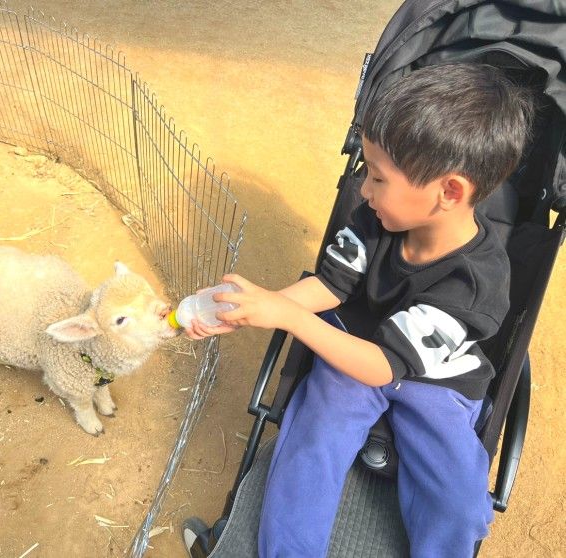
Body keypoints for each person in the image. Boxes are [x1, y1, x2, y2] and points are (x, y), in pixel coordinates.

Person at [185, 63, 533, 557]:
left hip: (436, 378)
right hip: (353, 345)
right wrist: (254, 307)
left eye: (378, 176)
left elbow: (383, 367)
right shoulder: (374, 219)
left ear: (449, 192)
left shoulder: (474, 282)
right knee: (312, 442)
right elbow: (330, 285)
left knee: (456, 497)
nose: (364, 189)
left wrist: (288, 317)